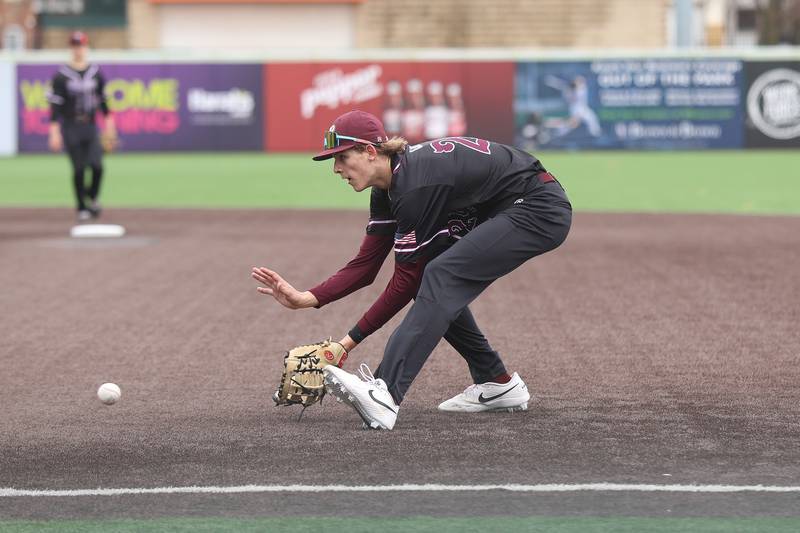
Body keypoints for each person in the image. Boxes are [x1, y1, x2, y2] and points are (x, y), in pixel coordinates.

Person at [252, 110, 572, 430]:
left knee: (437, 275)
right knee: (434, 280)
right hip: (504, 207)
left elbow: (405, 281)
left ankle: (386, 393)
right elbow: (366, 266)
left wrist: (346, 343)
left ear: (370, 152)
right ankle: (497, 382)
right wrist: (308, 297)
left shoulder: (414, 187)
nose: (336, 168)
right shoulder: (389, 189)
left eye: (342, 157)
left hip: (536, 207)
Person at [48, 31, 115, 221]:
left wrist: (110, 125)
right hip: (71, 127)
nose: (79, 49)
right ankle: (81, 207)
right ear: (71, 48)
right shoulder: (61, 76)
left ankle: (93, 197)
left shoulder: (95, 73)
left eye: (82, 45)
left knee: (97, 166)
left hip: (91, 126)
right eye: (75, 45)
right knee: (78, 168)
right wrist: (54, 132)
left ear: (86, 47)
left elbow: (104, 102)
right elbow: (55, 106)